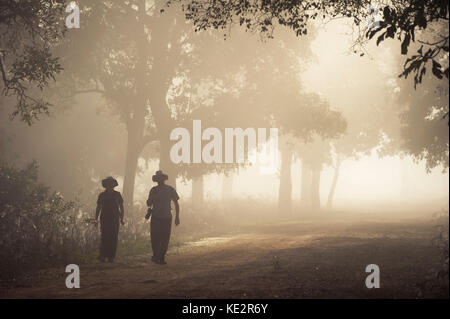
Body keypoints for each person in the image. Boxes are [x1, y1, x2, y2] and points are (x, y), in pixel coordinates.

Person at [146, 170, 180, 265]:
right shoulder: (153, 190)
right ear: (156, 180)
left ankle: (161, 257)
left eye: (161, 178)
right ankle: (156, 255)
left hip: (166, 217)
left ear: (164, 179)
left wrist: (177, 217)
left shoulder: (170, 189)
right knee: (155, 238)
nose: (159, 180)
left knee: (165, 238)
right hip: (156, 217)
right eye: (158, 178)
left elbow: (176, 203)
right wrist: (154, 197)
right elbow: (148, 203)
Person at [95, 176, 124, 263]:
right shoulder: (102, 195)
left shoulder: (117, 195)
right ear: (106, 185)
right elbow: (98, 207)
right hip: (104, 219)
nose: (110, 185)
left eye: (111, 183)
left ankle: (111, 256)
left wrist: (122, 218)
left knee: (113, 237)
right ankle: (103, 255)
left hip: (115, 219)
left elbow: (121, 207)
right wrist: (95, 219)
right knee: (104, 236)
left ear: (113, 185)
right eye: (108, 183)